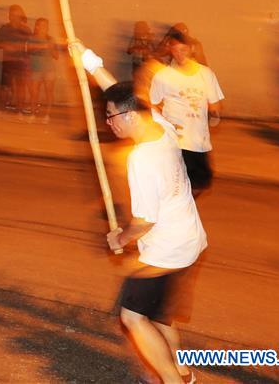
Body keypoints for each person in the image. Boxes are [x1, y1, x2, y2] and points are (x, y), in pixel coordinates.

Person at [73, 44, 205, 384]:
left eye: (111, 116)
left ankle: (171, 381)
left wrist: (120, 238)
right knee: (160, 317)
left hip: (165, 252)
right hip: (189, 241)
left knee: (133, 318)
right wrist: (89, 61)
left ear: (130, 116)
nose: (108, 122)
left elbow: (145, 221)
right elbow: (119, 92)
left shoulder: (141, 159)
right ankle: (183, 372)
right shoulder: (157, 122)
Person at [149, 29, 223, 196]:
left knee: (200, 183)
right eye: (175, 49)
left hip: (199, 140)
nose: (179, 54)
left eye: (183, 49)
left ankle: (182, 207)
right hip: (176, 140)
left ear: (191, 49)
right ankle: (175, 211)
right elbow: (152, 105)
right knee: (176, 183)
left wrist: (214, 115)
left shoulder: (206, 74)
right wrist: (163, 125)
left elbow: (216, 105)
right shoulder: (163, 76)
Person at [0, 4, 31, 111]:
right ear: (9, 16)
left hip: (21, 62)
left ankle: (20, 108)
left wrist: (23, 51)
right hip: (8, 62)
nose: (14, 17)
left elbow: (31, 46)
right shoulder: (5, 28)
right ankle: (3, 108)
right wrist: (6, 45)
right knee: (5, 86)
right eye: (12, 15)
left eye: (17, 15)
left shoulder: (26, 30)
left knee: (21, 87)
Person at [25, 17, 59, 123]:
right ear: (37, 26)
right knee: (34, 93)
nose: (44, 28)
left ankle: (47, 116)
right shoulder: (31, 38)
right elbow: (28, 51)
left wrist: (51, 48)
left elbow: (56, 56)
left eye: (46, 25)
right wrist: (42, 46)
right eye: (42, 25)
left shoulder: (51, 39)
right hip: (35, 69)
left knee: (49, 92)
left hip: (49, 70)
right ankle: (33, 114)